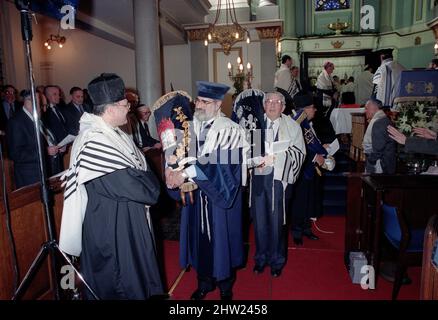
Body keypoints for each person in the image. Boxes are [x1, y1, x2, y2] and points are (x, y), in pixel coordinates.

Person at [59, 73, 164, 299]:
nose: (129, 109)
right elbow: (134, 184)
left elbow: (143, 171)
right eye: (126, 104)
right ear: (112, 107)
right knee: (120, 284)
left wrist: (147, 180)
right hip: (111, 227)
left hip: (125, 219)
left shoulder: (115, 133)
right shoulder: (93, 139)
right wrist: (151, 184)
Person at [165, 81, 247, 300]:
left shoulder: (231, 129)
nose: (199, 105)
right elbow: (176, 153)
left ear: (218, 104)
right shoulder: (190, 128)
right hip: (195, 196)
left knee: (223, 241)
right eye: (198, 101)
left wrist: (187, 172)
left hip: (220, 195)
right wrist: (171, 168)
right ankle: (204, 283)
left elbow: (221, 165)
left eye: (205, 102)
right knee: (200, 239)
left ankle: (226, 287)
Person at [251, 92, 305, 277]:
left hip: (279, 181)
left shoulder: (292, 127)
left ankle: (277, 261)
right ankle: (260, 258)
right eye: (268, 101)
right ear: (264, 105)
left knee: (277, 224)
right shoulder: (255, 124)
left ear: (283, 106)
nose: (272, 105)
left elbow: (299, 153)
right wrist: (255, 158)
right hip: (258, 179)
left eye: (277, 102)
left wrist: (277, 157)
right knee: (259, 223)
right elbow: (246, 149)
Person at [290, 94, 332, 245]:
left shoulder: (307, 123)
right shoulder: (295, 123)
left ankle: (306, 229)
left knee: (309, 200)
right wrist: (316, 157)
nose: (314, 110)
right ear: (305, 109)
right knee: (299, 201)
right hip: (300, 170)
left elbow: (311, 142)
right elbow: (297, 147)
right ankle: (296, 231)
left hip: (311, 169)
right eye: (312, 107)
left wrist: (322, 147)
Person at [6, 90, 60, 188]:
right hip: (31, 177)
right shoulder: (16, 122)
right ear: (30, 101)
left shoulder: (37, 118)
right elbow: (16, 154)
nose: (43, 107)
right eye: (41, 104)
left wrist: (57, 147)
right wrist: (45, 151)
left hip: (45, 172)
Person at [362, 98, 396, 174]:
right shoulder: (383, 119)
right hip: (385, 162)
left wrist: (370, 161)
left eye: (367, 108)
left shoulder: (378, 123)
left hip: (380, 164)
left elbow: (378, 150)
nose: (365, 111)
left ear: (375, 108)